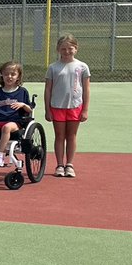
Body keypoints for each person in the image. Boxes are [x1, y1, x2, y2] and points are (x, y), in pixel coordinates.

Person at [45, 34, 90, 178]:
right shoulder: (53, 67)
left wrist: (85, 110)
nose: (67, 51)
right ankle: (59, 164)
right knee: (59, 136)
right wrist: (47, 109)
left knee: (71, 135)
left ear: (76, 49)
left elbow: (86, 89)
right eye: (63, 49)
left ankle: (69, 164)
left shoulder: (82, 67)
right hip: (57, 106)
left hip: (75, 106)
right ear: (58, 49)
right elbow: (48, 89)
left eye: (70, 48)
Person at [0, 61, 32, 168]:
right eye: (6, 74)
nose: (9, 77)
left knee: (7, 128)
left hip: (15, 122)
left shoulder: (22, 92)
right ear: (2, 75)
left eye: (13, 74)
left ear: (18, 77)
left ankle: (0, 155)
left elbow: (29, 109)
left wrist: (22, 104)